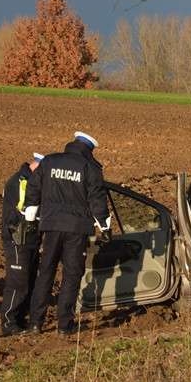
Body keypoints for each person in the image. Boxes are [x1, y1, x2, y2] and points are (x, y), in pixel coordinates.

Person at [23, 131, 110, 336]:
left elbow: (33, 189)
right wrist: (105, 229)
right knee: (71, 276)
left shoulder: (49, 161)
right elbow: (97, 200)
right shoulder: (90, 168)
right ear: (89, 149)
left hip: (51, 225)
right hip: (77, 230)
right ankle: (64, 325)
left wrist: (30, 219)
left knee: (45, 274)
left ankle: (35, 323)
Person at [0, 152, 44, 336]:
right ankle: (9, 323)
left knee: (28, 279)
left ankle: (19, 320)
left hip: (28, 239)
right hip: (18, 240)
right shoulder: (22, 182)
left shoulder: (26, 179)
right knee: (18, 282)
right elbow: (27, 210)